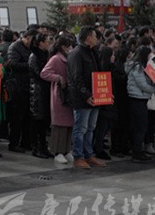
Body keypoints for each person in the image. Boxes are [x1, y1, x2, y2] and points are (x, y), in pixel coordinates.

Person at [67, 26, 105, 169]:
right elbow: (76, 78)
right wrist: (86, 95)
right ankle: (78, 156)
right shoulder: (76, 53)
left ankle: (89, 154)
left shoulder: (92, 52)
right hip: (82, 98)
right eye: (95, 36)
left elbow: (99, 75)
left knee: (91, 127)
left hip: (95, 96)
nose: (97, 39)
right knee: (81, 128)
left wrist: (105, 92)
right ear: (88, 37)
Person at [40, 36, 75, 164]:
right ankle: (57, 151)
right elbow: (44, 73)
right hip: (59, 95)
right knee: (59, 125)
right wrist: (58, 78)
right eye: (70, 46)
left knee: (69, 124)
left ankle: (66, 150)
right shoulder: (56, 59)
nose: (71, 48)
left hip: (68, 95)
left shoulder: (69, 58)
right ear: (64, 47)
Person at [126, 45, 155, 163]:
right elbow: (143, 85)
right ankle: (137, 152)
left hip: (141, 98)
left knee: (141, 126)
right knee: (140, 126)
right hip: (137, 98)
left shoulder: (143, 66)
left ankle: (138, 150)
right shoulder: (137, 67)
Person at [5, 29, 34, 153]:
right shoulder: (14, 47)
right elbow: (14, 64)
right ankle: (14, 143)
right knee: (17, 117)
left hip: (28, 86)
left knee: (28, 117)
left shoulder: (31, 48)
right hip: (18, 86)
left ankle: (26, 142)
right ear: (26, 37)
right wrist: (31, 64)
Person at [28, 32, 54, 159]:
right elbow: (39, 73)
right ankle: (37, 147)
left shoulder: (46, 54)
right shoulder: (34, 56)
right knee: (38, 120)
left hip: (45, 90)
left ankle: (43, 146)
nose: (49, 44)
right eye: (47, 41)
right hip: (37, 92)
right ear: (41, 43)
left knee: (44, 121)